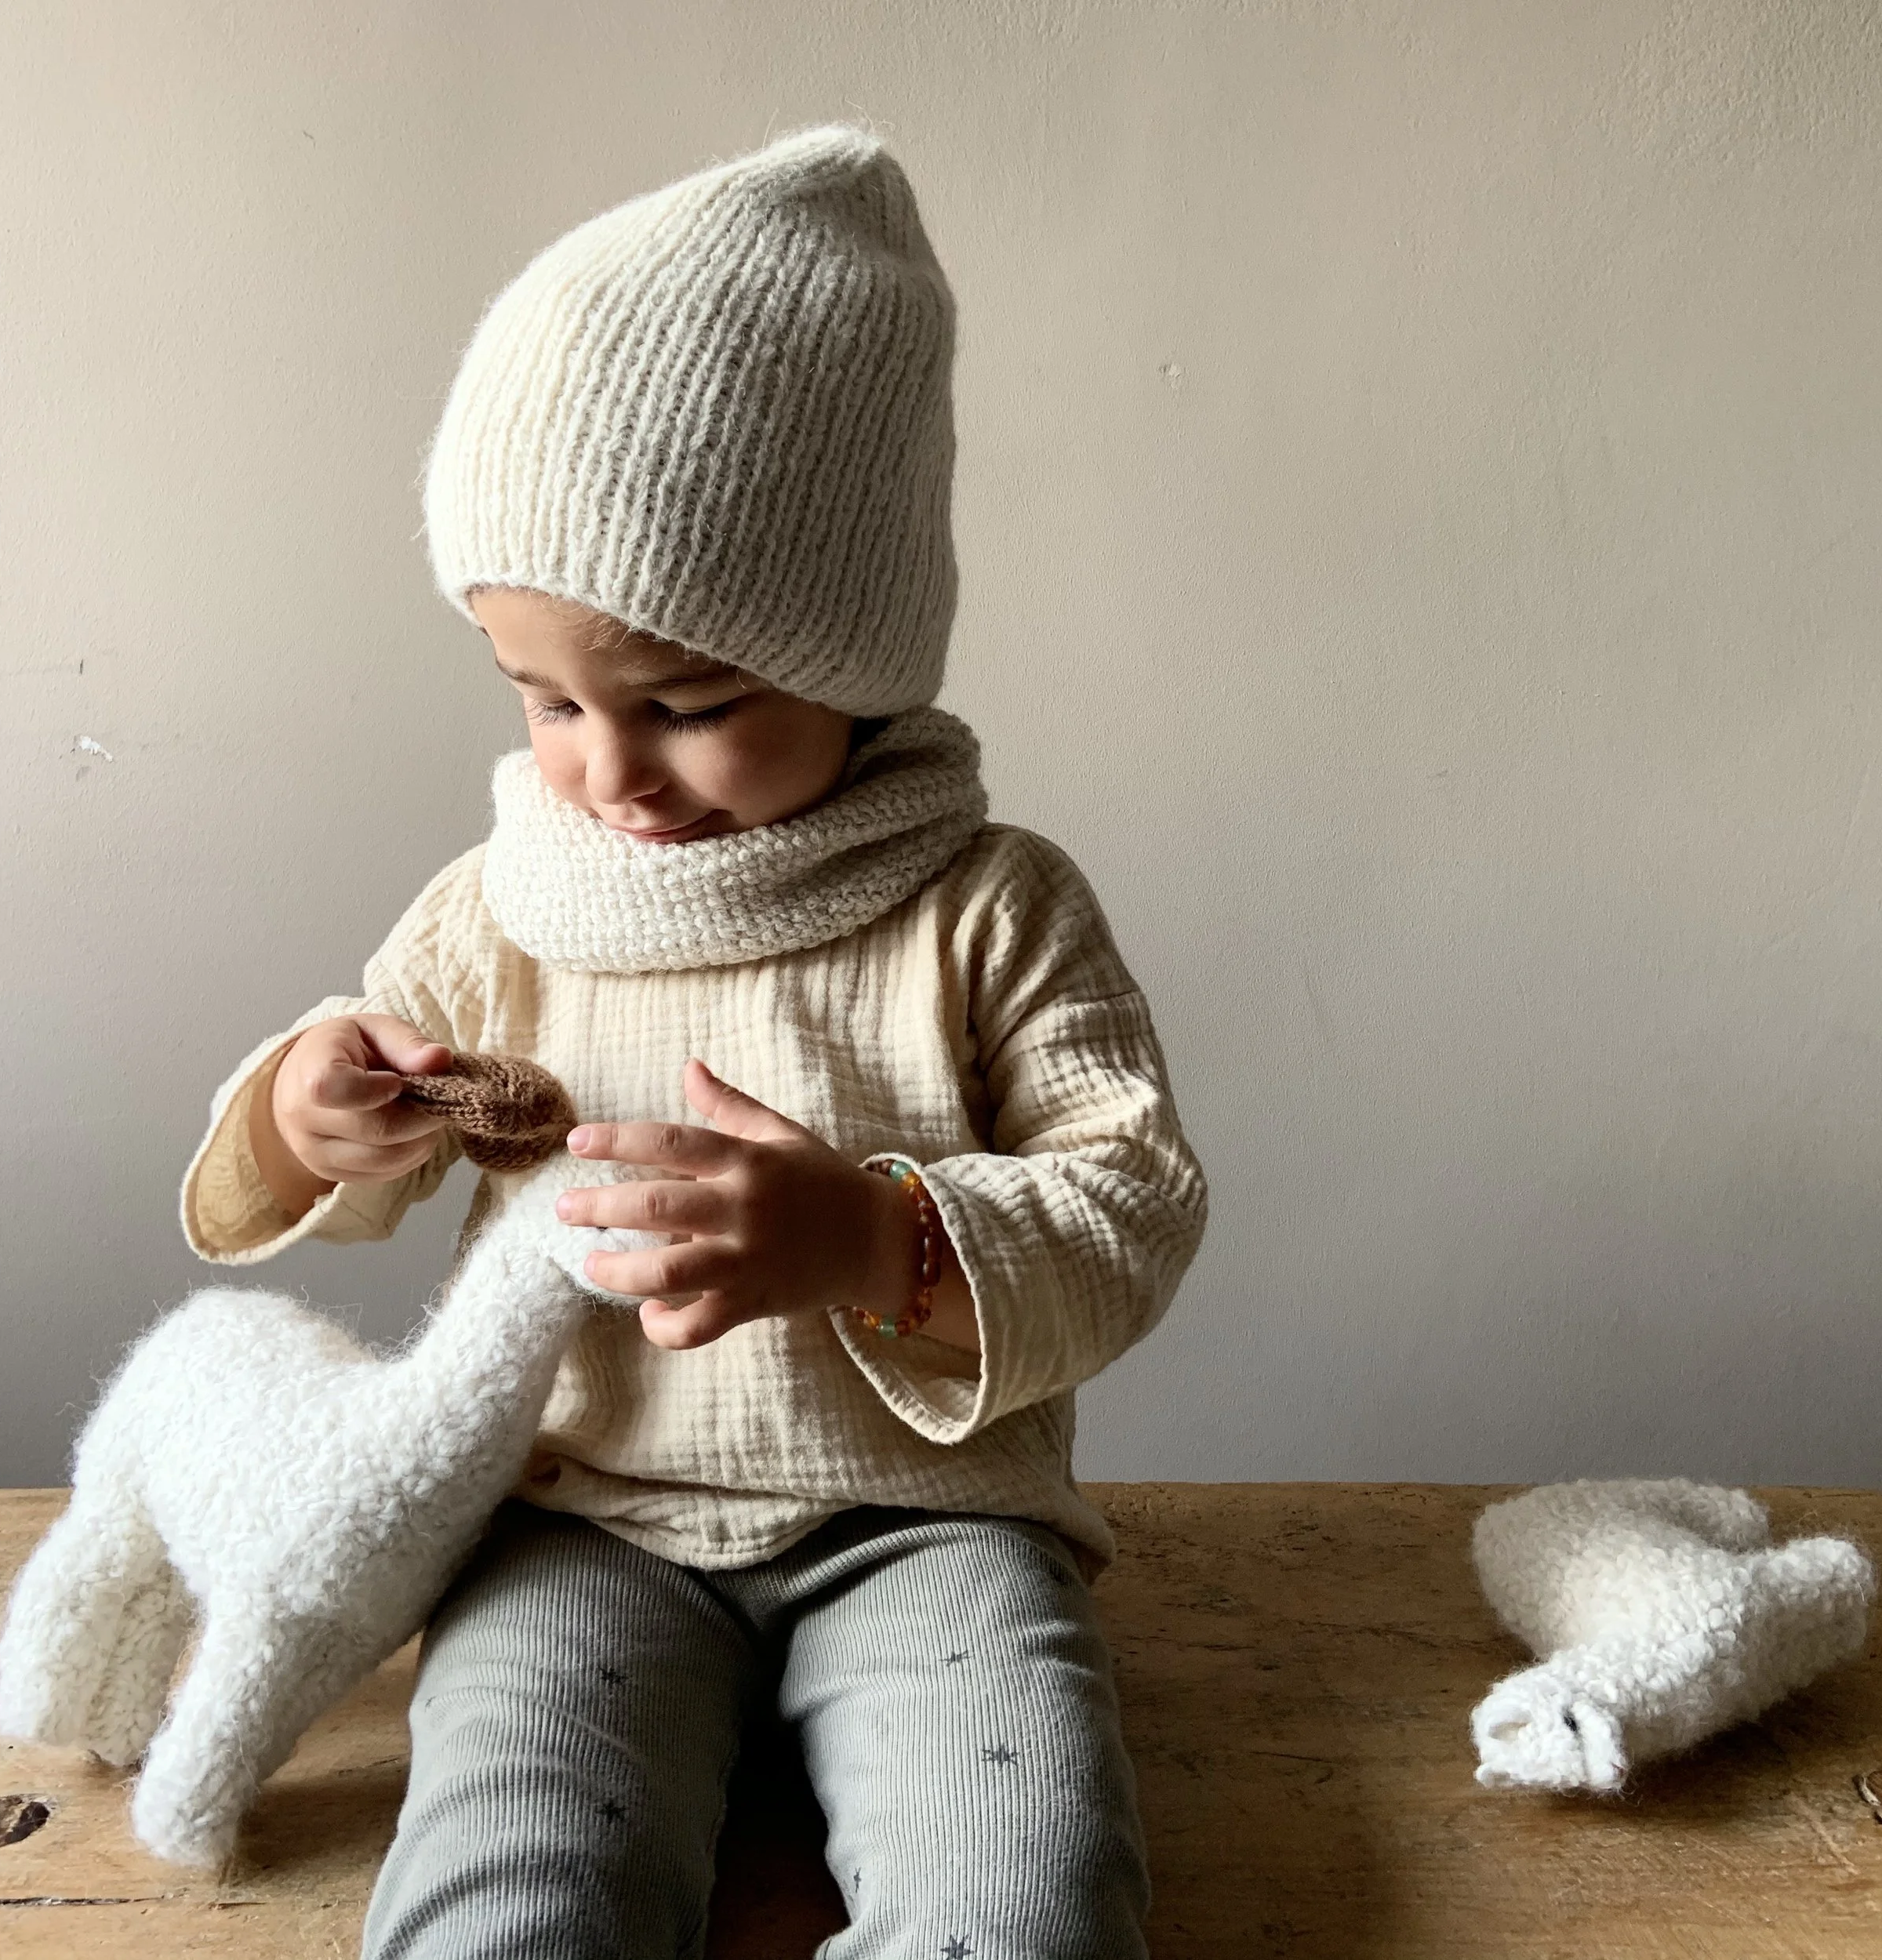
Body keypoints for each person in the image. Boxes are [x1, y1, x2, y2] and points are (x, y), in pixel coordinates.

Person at [182, 123, 1207, 1960]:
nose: (607, 766)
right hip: (577, 1522)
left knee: (1028, 1896)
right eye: (545, 696)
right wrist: (307, 1109)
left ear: (857, 645)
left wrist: (865, 1239)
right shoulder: (507, 895)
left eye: (685, 701)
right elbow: (330, 1140)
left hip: (927, 1528)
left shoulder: (986, 902)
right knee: (498, 1889)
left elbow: (1128, 1206)